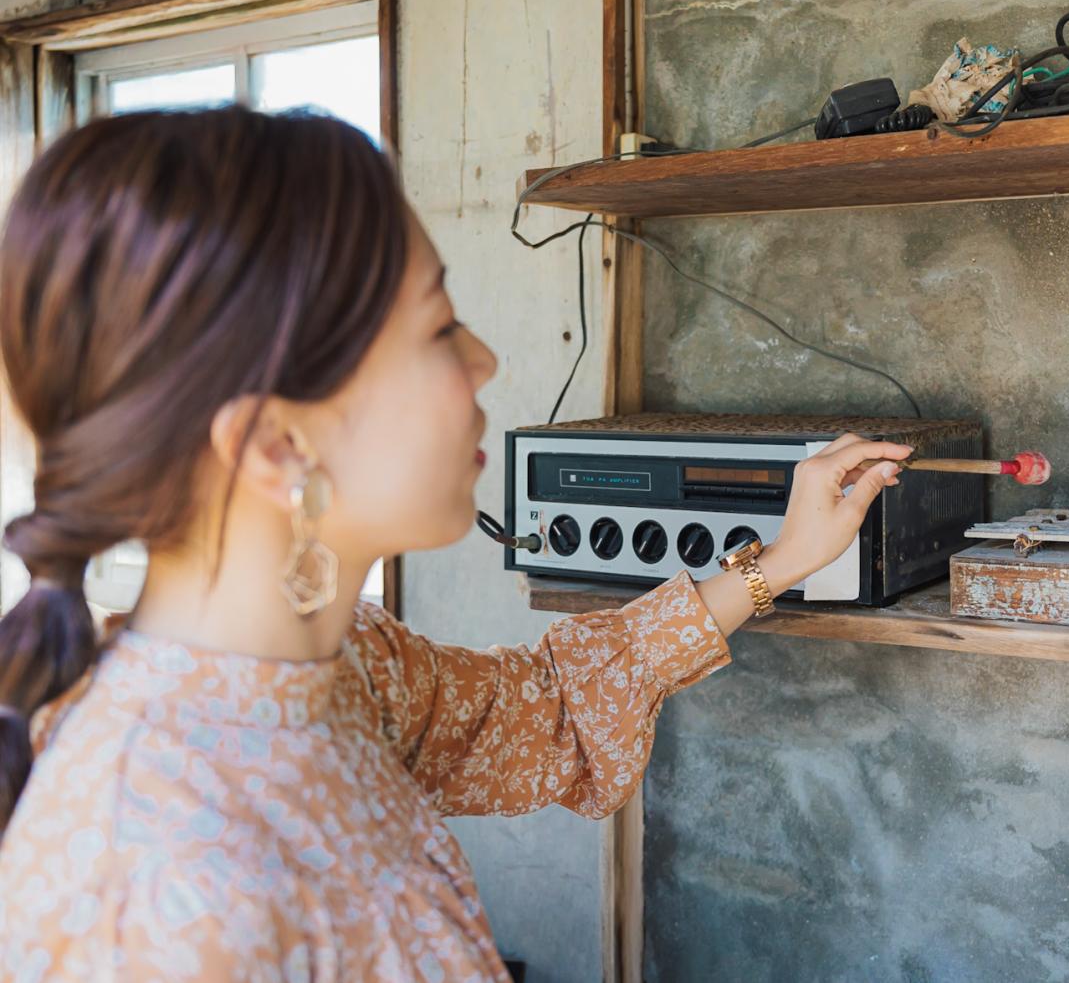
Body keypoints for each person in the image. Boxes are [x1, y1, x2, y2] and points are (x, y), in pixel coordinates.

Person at [0, 107, 910, 981]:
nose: (483, 360)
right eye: (437, 327)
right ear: (280, 446)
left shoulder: (343, 663)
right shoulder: (162, 886)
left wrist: (785, 558)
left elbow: (546, 705)